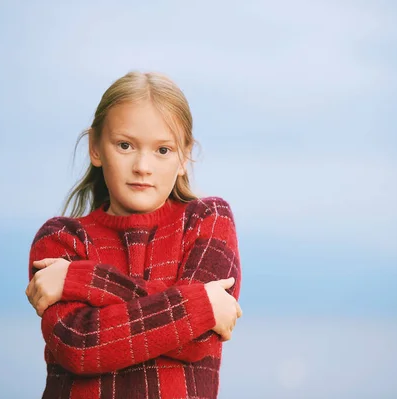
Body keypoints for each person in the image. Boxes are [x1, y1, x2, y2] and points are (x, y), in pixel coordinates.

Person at [25, 71, 242, 399]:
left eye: (163, 150)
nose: (143, 165)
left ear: (184, 156)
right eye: (125, 145)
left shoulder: (208, 220)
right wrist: (198, 303)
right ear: (95, 148)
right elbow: (79, 345)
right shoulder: (61, 239)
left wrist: (79, 280)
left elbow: (200, 338)